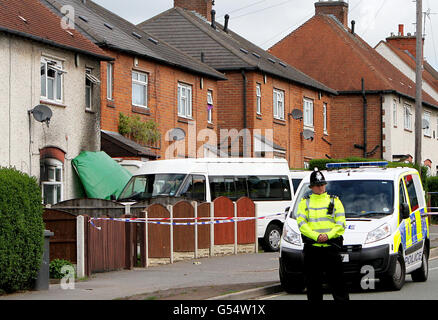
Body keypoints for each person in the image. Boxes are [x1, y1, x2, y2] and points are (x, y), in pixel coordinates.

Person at [296, 168, 349, 301]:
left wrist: (328, 235)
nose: (320, 187)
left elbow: (341, 224)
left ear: (325, 184)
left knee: (338, 286)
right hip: (312, 249)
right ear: (312, 186)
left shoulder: (335, 201)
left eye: (322, 184)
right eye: (317, 185)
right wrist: (316, 236)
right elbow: (302, 224)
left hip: (331, 248)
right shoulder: (305, 202)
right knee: (313, 287)